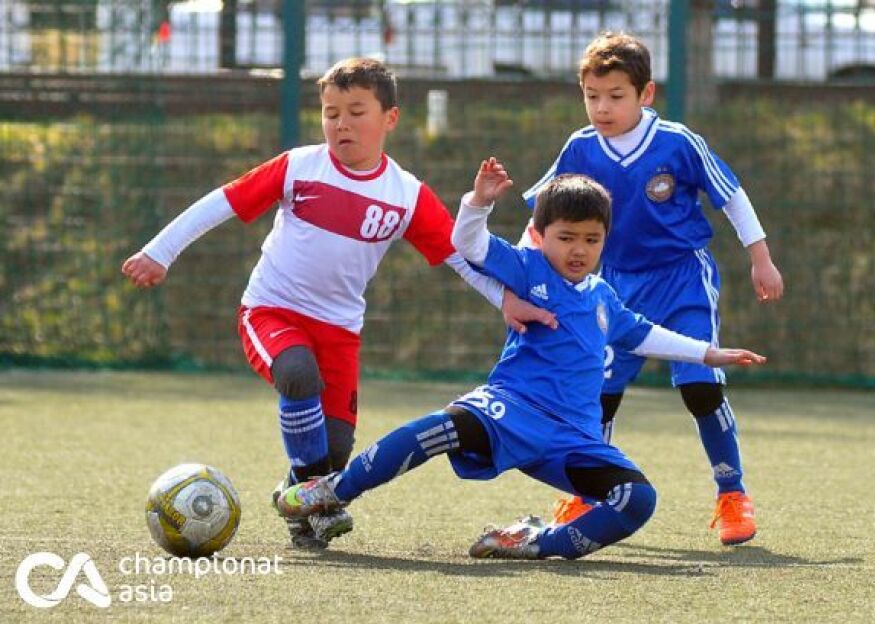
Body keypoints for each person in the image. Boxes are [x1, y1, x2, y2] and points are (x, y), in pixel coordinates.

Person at [121, 58, 553, 549]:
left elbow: (459, 257)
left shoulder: (405, 194)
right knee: (298, 375)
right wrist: (160, 252)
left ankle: (295, 498)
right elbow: (224, 201)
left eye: (356, 112)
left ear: (390, 118)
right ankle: (315, 504)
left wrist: (504, 300)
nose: (341, 124)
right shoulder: (299, 166)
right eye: (331, 113)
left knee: (337, 449)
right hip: (270, 310)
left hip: (340, 332)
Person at [275, 161, 766, 560]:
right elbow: (468, 245)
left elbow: (642, 334)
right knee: (437, 429)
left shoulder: (602, 297)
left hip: (572, 439)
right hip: (508, 410)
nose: (578, 250)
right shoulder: (528, 268)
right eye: (566, 237)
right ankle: (334, 490)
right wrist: (479, 203)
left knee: (638, 500)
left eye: (591, 239)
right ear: (540, 233)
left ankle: (533, 542)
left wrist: (708, 352)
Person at [517, 32, 785, 546]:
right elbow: (542, 217)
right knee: (598, 396)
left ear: (646, 94)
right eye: (592, 96)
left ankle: (732, 494)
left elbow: (732, 196)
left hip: (682, 279)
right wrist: (523, 275)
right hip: (613, 286)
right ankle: (586, 492)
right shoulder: (579, 147)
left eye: (616, 96)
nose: (602, 107)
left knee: (700, 386)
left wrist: (761, 258)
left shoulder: (678, 143)